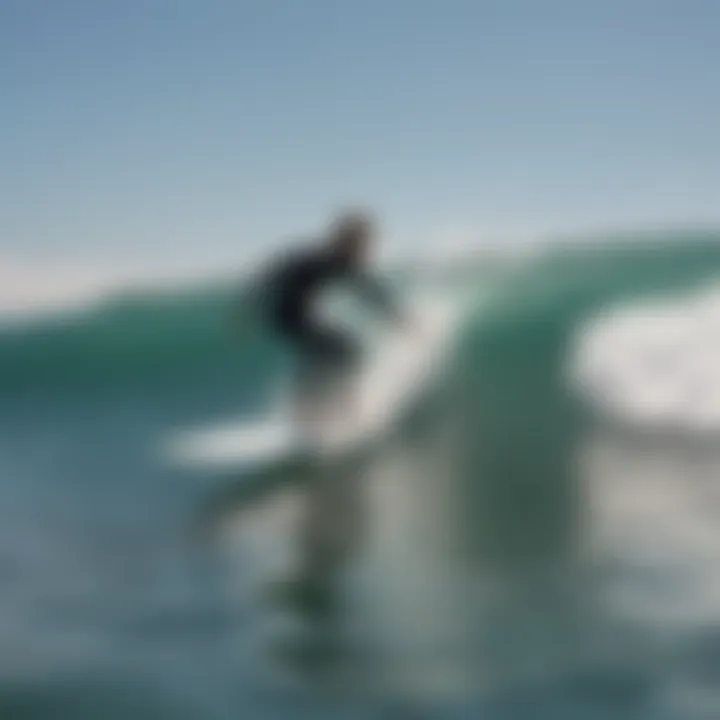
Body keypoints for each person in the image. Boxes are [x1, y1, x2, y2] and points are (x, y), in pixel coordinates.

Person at [254, 211, 408, 386]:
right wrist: (254, 306)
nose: (365, 249)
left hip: (297, 314)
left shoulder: (340, 261)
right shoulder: (321, 258)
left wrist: (399, 319)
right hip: (285, 314)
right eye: (361, 242)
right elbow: (278, 274)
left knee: (334, 352)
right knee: (344, 351)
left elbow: (370, 292)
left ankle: (320, 401)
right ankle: (331, 402)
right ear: (346, 240)